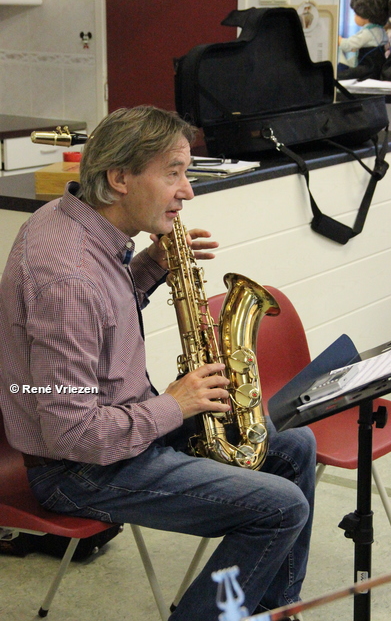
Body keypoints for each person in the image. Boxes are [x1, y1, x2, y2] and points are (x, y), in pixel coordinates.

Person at [0, 105, 316, 621]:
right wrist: (176, 404)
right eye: (173, 174)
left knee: (295, 446)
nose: (187, 191)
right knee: (280, 507)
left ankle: (271, 609)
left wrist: (151, 266)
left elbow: (99, 322)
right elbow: (71, 435)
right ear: (119, 178)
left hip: (122, 425)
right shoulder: (70, 278)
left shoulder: (73, 220)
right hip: (79, 470)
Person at [338, 0, 391, 81]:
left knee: (340, 75)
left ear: (365, 14)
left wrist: (339, 40)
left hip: (368, 69)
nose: (355, 17)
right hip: (380, 68)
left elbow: (348, 45)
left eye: (356, 14)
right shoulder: (381, 30)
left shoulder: (367, 33)